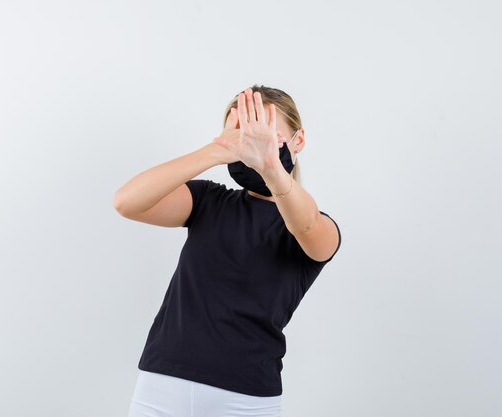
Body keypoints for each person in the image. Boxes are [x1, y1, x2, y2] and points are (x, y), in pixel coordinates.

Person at [114, 85, 342, 417]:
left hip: (246, 399)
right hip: (163, 384)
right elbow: (126, 202)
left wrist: (271, 168)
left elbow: (306, 226)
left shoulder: (317, 226)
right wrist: (216, 150)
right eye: (245, 137)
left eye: (269, 136)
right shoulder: (208, 201)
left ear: (299, 141)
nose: (256, 148)